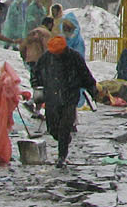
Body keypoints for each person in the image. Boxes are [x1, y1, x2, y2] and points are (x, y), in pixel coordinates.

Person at [35, 34, 98, 167]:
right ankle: (64, 139)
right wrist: (36, 86)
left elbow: (85, 75)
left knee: (64, 127)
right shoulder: (46, 58)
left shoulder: (74, 57)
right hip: (51, 98)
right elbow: (36, 73)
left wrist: (93, 90)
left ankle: (61, 157)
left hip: (70, 97)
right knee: (52, 128)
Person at [0, 62, 22, 167]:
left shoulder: (5, 78)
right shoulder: (8, 79)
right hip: (4, 108)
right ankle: (2, 154)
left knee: (0, 130)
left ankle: (0, 154)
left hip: (1, 107)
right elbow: (12, 96)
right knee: (2, 130)